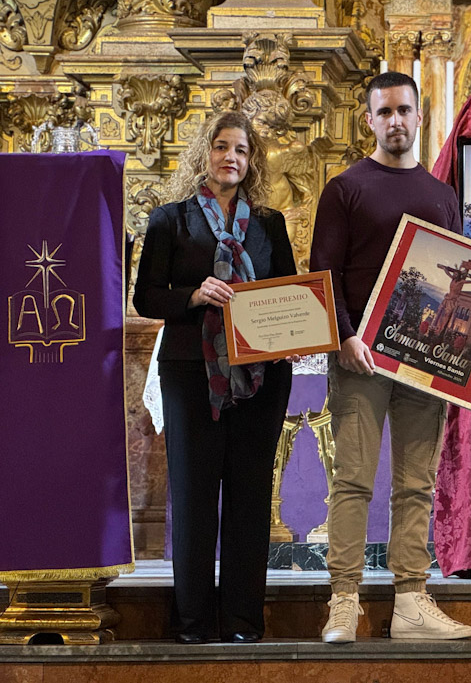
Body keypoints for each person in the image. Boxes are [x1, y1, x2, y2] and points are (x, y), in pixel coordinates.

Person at [311, 71, 471, 643]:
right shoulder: (345, 188)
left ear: (420, 116)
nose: (396, 122)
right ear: (370, 120)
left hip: (427, 362)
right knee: (352, 480)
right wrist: (347, 337)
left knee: (416, 484)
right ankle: (344, 602)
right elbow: (324, 274)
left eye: (405, 111)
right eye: (385, 113)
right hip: (360, 359)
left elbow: (465, 270)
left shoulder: (440, 196)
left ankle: (410, 600)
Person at [133, 110, 296, 644]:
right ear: (206, 153)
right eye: (222, 146)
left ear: (252, 163)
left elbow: (290, 292)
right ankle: (193, 621)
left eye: (242, 150)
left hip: (260, 378)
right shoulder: (169, 219)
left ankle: (245, 621)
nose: (232, 157)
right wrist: (195, 295)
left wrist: (292, 331)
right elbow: (146, 296)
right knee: (195, 496)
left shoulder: (269, 224)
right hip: (189, 373)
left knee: (250, 497)